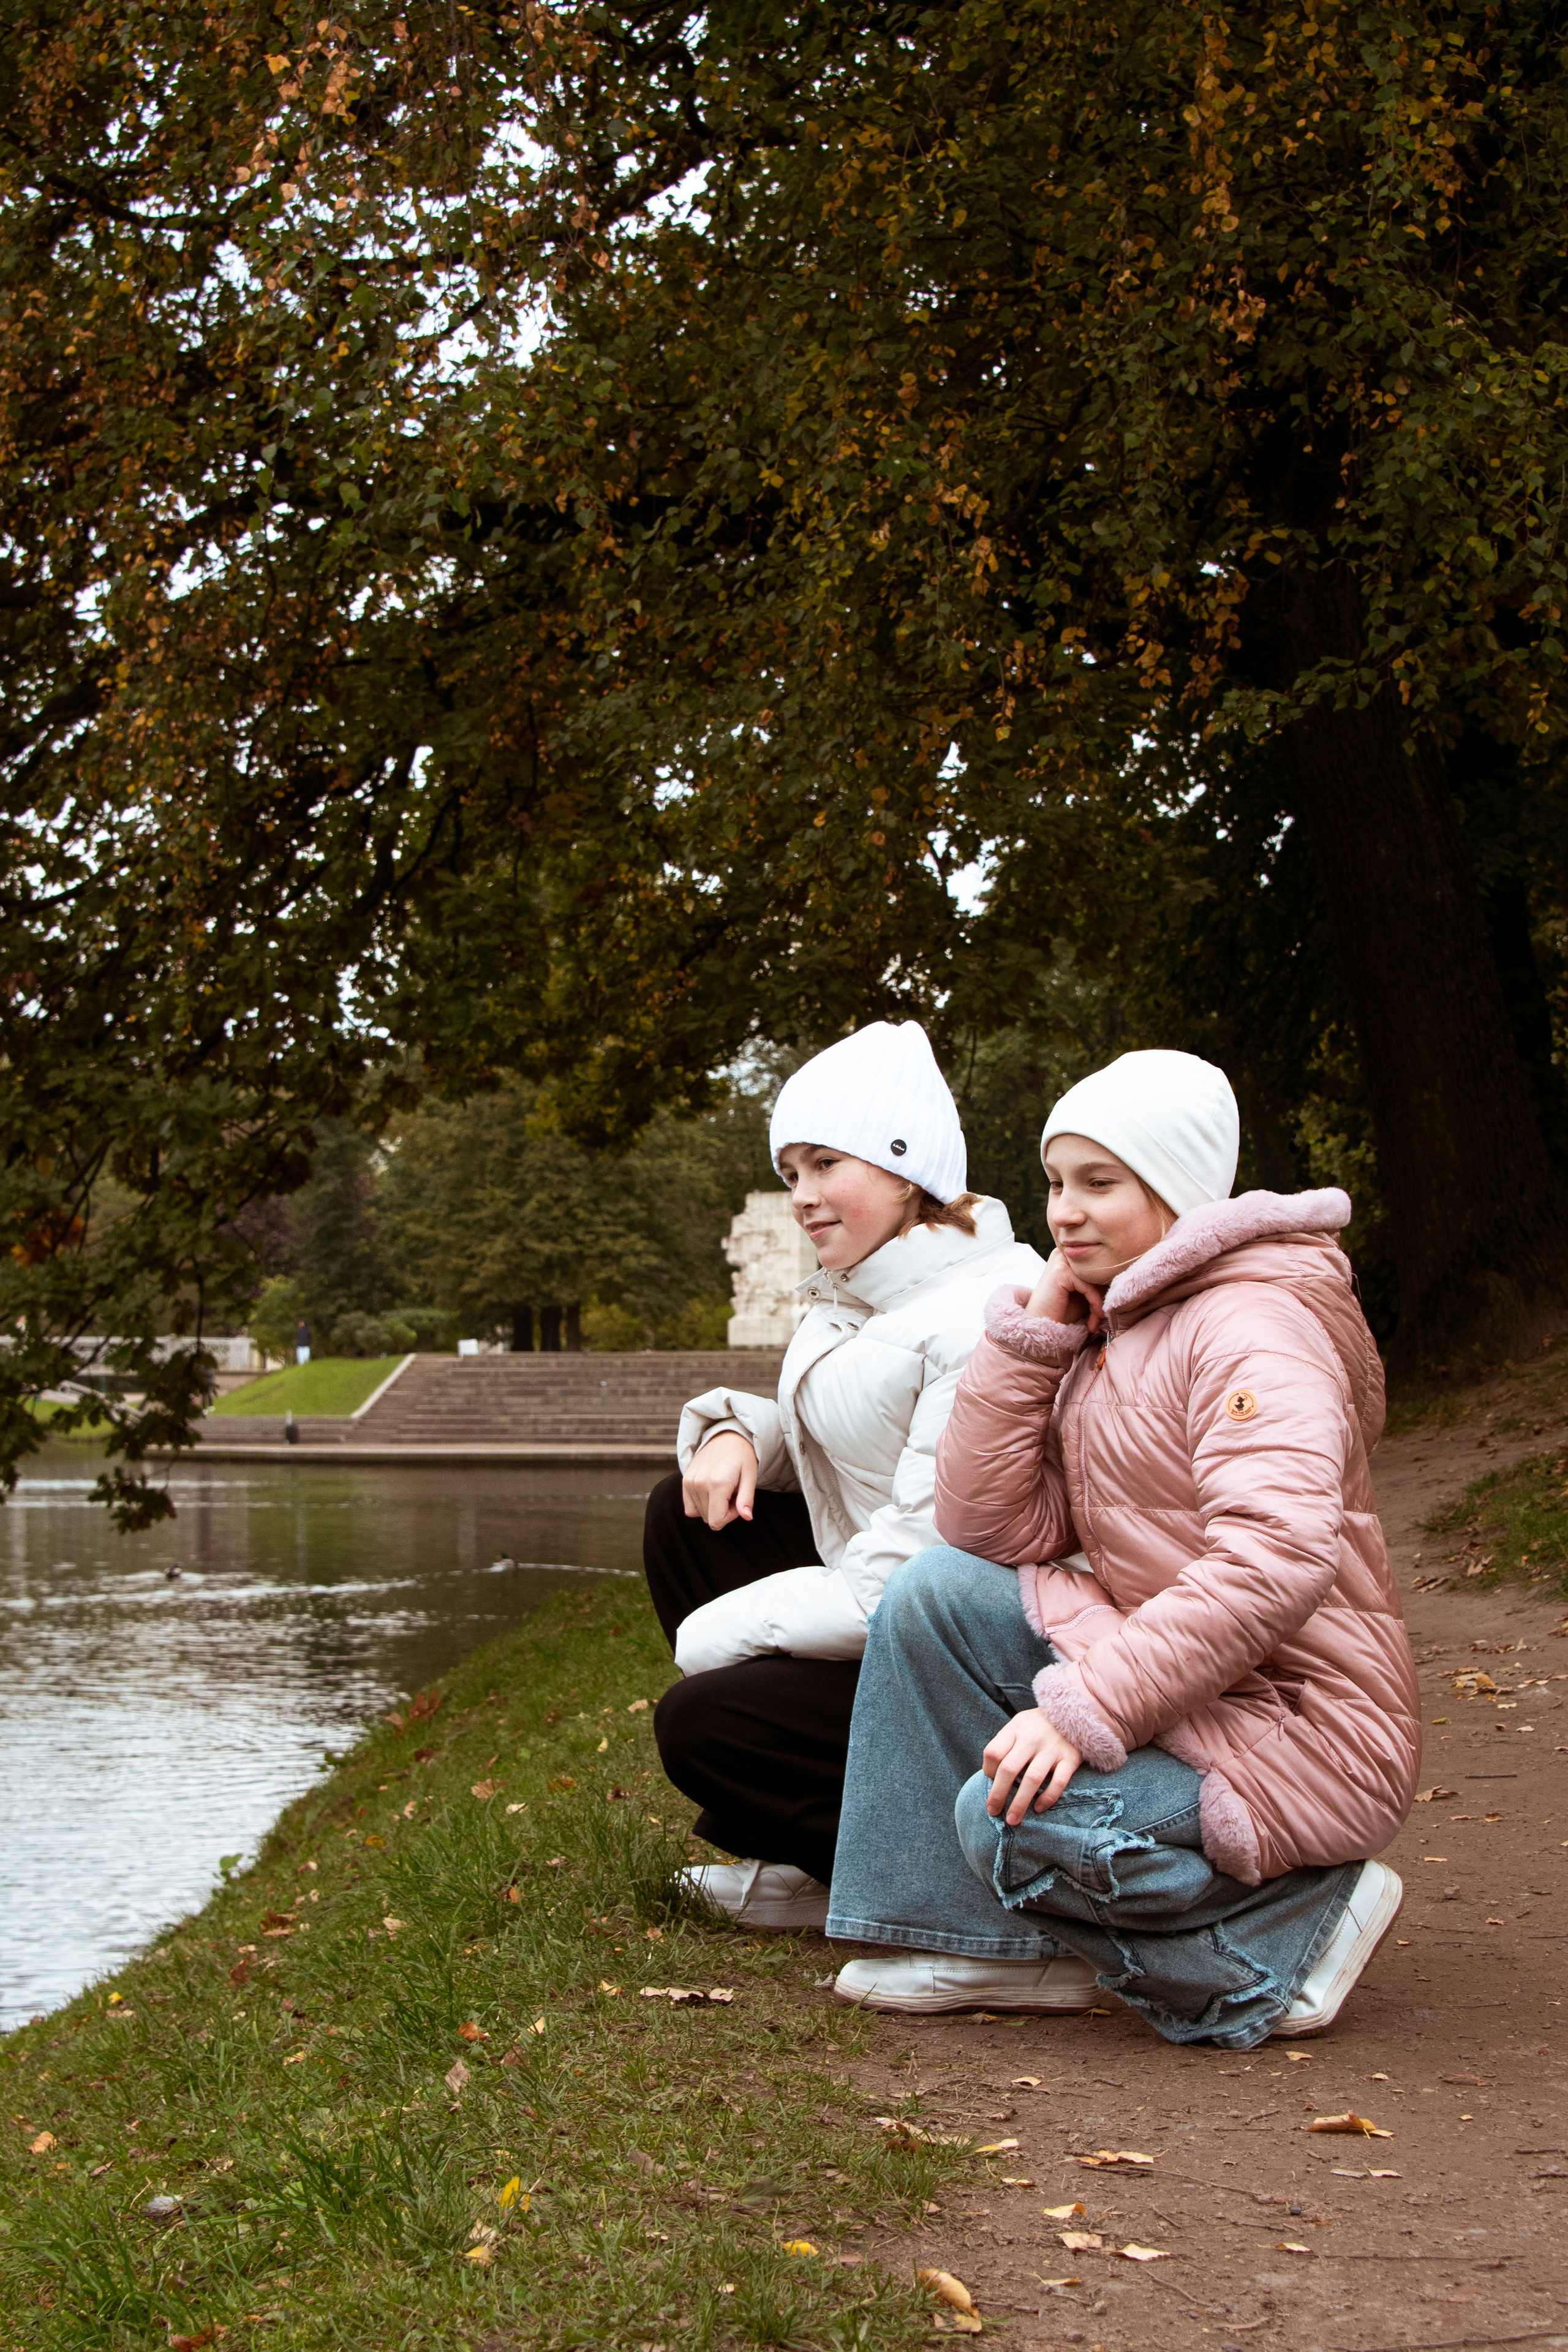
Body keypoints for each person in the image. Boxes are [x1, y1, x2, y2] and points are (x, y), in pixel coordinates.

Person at [826, 1049, 1419, 2045]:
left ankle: (1289, 1935)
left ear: (1179, 1191)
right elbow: (989, 1530)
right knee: (936, 1591)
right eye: (1057, 1182)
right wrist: (1033, 1339)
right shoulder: (1120, 1325)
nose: (1064, 1212)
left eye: (1100, 1184)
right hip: (1197, 1689)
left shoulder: (1251, 1325)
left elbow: (1274, 1556)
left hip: (1305, 1725)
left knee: (1011, 1821)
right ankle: (977, 1943)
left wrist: (1084, 1711)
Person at [645, 1020, 1046, 1931]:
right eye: (792, 1173)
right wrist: (739, 1435)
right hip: (882, 1602)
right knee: (686, 1512)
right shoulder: (860, 1290)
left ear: (907, 1170)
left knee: (702, 1720)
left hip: (971, 1661)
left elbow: (924, 1563)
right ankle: (810, 1862)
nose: (803, 1196)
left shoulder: (987, 1314)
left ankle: (934, 1874)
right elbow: (847, 1432)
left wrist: (723, 1634)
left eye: (827, 1164)